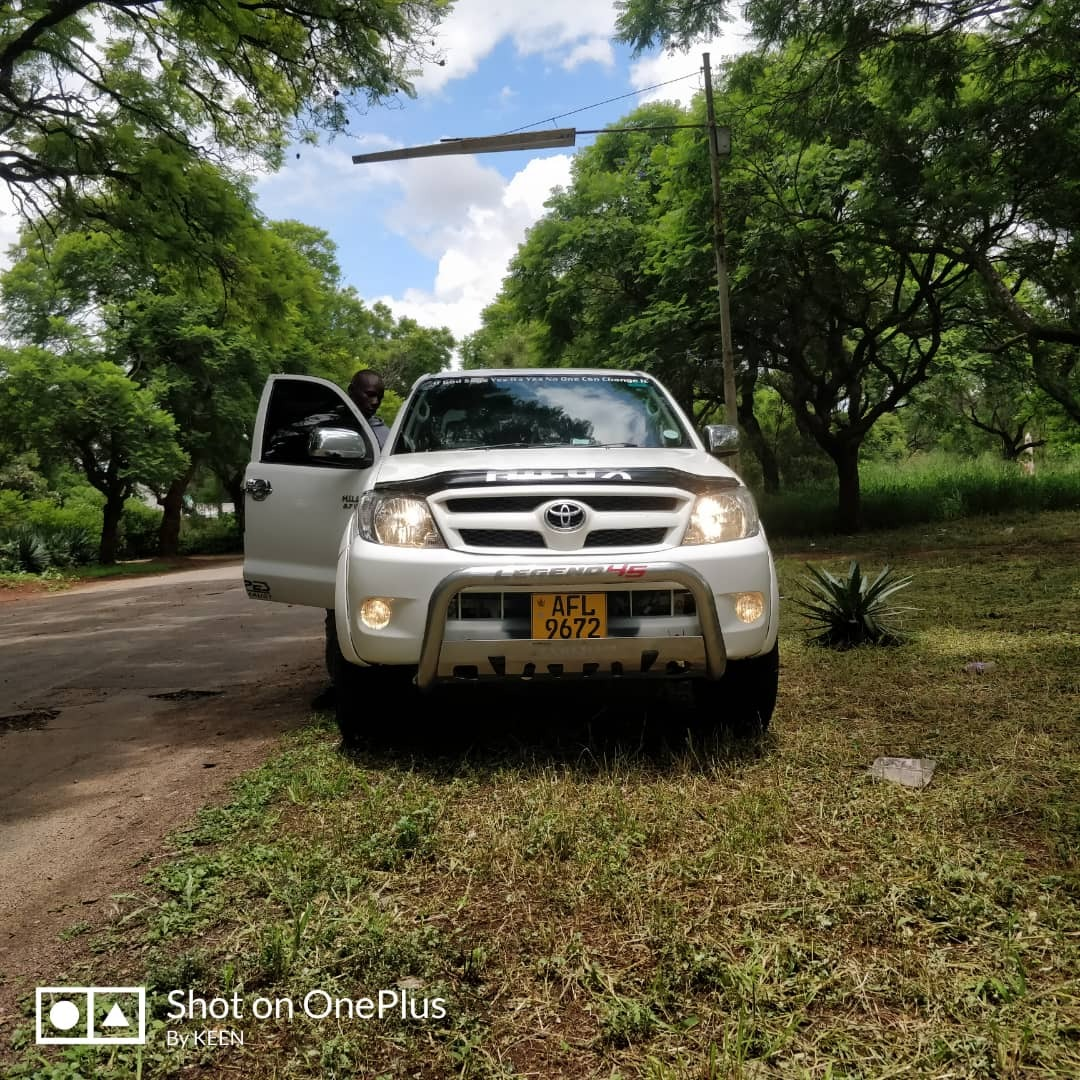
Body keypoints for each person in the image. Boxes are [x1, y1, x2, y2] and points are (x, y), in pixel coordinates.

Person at [312, 369, 389, 714]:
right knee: (337, 609)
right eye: (367, 394)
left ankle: (388, 680)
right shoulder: (329, 431)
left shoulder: (388, 434)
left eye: (379, 395)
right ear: (351, 392)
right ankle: (341, 685)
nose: (373, 401)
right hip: (338, 527)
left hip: (381, 534)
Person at [348, 368, 390, 449]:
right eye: (370, 395)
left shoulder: (386, 438)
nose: (375, 402)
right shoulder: (328, 422)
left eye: (380, 398)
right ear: (351, 390)